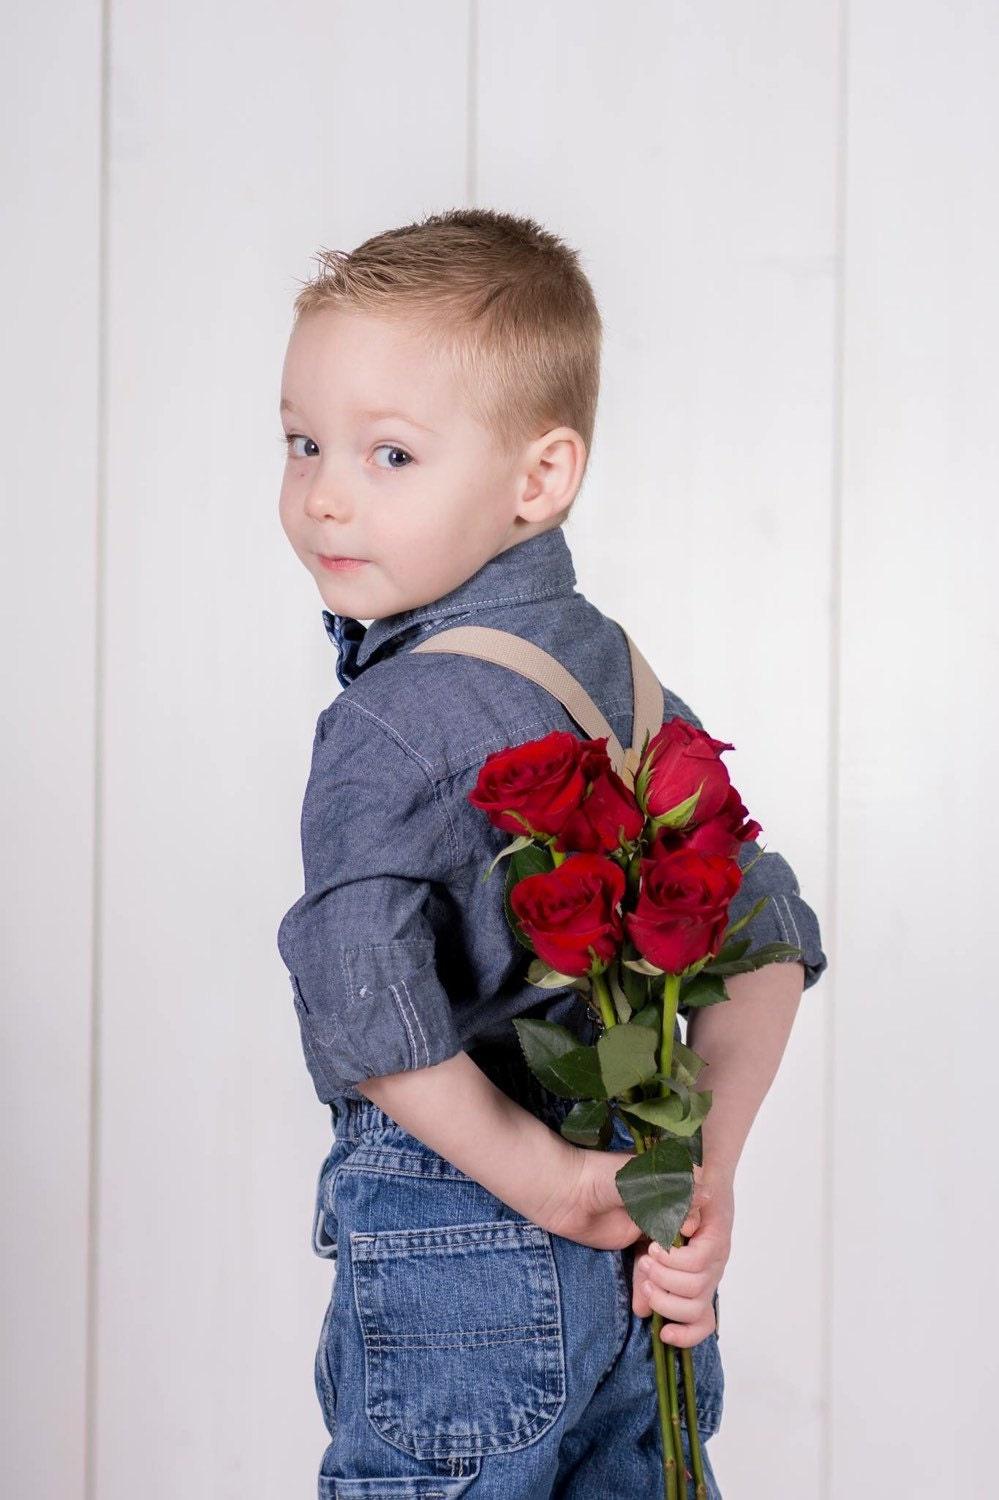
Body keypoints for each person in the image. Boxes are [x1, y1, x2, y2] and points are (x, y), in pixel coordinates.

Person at [276, 208, 828, 1499]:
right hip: (640, 1266)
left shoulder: (388, 722)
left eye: (389, 453)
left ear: (540, 478)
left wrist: (552, 1184)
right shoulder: (612, 675)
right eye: (302, 442)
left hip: (462, 1270)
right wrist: (697, 1174)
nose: (325, 493)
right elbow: (764, 930)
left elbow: (360, 1000)